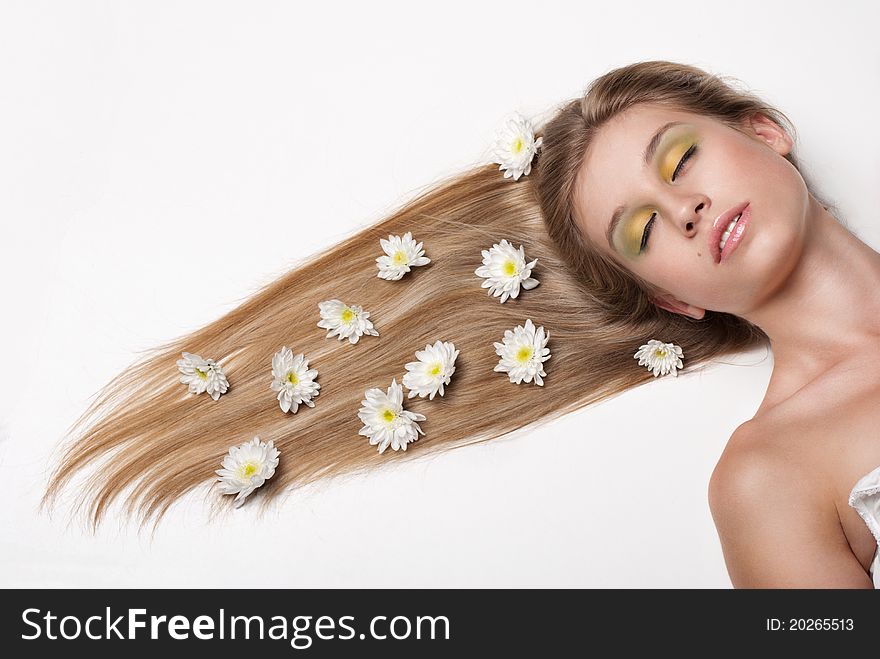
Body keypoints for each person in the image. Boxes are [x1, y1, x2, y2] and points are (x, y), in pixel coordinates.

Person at [41, 60, 880, 589]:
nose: (683, 209)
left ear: (763, 131)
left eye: (678, 158)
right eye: (643, 231)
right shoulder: (769, 480)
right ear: (672, 300)